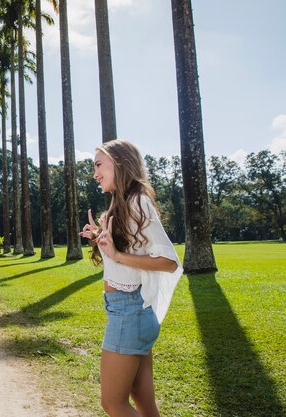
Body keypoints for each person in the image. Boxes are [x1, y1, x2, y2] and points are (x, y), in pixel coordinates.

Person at [80, 139, 182, 417]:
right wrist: (101, 237)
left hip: (130, 312)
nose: (95, 173)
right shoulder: (124, 203)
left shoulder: (138, 201)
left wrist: (117, 253)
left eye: (99, 165)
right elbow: (127, 253)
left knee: (113, 403)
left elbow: (169, 262)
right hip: (132, 312)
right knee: (144, 402)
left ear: (120, 163)